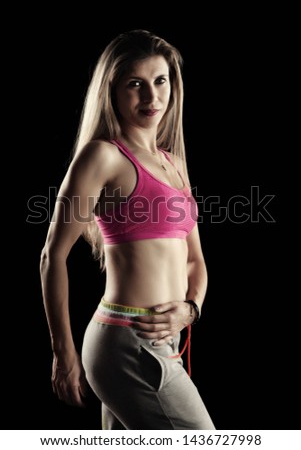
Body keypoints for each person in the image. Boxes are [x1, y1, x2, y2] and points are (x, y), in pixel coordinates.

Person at [40, 29, 215, 430]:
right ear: (112, 91)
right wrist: (62, 354)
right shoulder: (103, 156)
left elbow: (195, 260)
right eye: (135, 84)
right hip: (126, 341)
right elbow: (53, 256)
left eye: (160, 81)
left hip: (165, 342)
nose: (151, 97)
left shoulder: (174, 163)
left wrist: (191, 310)